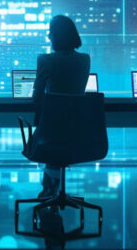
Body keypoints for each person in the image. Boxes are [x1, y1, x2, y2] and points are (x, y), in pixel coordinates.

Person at [32, 15, 90, 197]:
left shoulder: (45, 60)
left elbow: (36, 97)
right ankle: (51, 184)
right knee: (59, 133)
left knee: (52, 134)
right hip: (78, 131)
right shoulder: (85, 59)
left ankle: (50, 185)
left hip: (50, 131)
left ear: (53, 36)